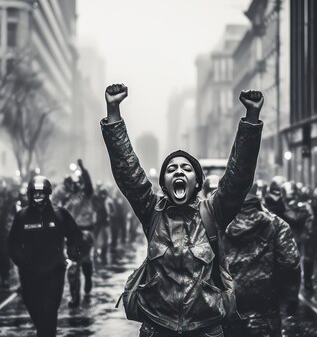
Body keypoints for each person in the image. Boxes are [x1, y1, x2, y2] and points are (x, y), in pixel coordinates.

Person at [102, 83, 264, 337]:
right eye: (172, 168)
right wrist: (113, 112)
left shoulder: (213, 212)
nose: (179, 171)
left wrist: (251, 119)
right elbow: (127, 170)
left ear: (197, 183)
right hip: (157, 327)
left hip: (206, 329)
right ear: (164, 184)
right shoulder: (151, 211)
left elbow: (238, 176)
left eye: (187, 169)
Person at [8, 175, 83, 337]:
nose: (38, 197)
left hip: (54, 272)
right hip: (29, 274)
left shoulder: (60, 214)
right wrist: (21, 260)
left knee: (49, 312)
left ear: (48, 194)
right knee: (36, 313)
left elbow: (75, 236)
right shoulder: (21, 217)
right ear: (30, 194)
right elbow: (12, 244)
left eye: (41, 193)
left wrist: (72, 253)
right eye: (35, 193)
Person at [222, 183, 300, 336]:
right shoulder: (277, 224)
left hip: (226, 309)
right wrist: (291, 296)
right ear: (257, 194)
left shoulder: (217, 222)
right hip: (265, 310)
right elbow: (290, 262)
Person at [63, 159, 98, 307]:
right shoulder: (67, 200)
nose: (75, 185)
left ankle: (88, 277)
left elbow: (89, 184)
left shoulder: (86, 195)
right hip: (72, 236)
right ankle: (75, 296)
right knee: (72, 267)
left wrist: (83, 169)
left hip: (86, 233)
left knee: (85, 261)